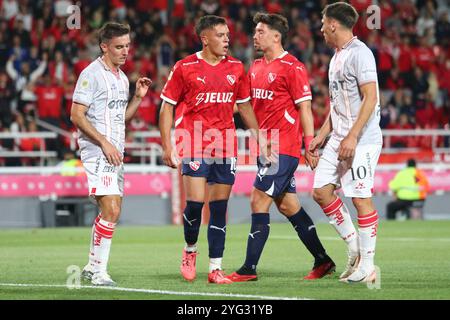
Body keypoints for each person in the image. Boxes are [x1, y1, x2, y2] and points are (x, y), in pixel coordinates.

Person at [226, 13, 335, 283]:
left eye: (260, 31)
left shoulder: (293, 67)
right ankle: (323, 260)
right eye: (255, 31)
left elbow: (305, 108)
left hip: (283, 147)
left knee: (257, 200)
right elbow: (245, 105)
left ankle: (249, 269)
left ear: (276, 36)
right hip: (265, 148)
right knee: (288, 207)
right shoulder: (256, 67)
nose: (255, 35)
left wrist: (310, 144)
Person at [159, 15, 260, 284]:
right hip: (193, 141)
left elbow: (245, 105)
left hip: (225, 143)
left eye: (228, 35)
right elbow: (167, 106)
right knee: (194, 204)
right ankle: (190, 250)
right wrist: (167, 145)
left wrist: (258, 136)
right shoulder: (185, 67)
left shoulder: (237, 68)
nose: (227, 40)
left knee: (219, 207)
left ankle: (215, 268)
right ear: (205, 39)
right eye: (220, 35)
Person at [70, 22, 151, 286]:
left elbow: (120, 119)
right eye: (119, 47)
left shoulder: (121, 78)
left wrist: (137, 98)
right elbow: (76, 115)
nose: (125, 51)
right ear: (104, 47)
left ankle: (92, 265)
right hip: (98, 151)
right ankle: (98, 272)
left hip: (115, 153)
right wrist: (104, 143)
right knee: (112, 209)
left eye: (127, 46)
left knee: (112, 211)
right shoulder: (90, 74)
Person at [309, 2, 382, 283]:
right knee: (321, 191)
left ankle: (369, 267)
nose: (320, 28)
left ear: (333, 25)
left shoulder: (360, 53)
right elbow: (337, 103)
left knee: (360, 198)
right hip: (339, 138)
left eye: (323, 23)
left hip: (361, 140)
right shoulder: (336, 56)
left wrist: (352, 135)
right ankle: (355, 251)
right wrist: (321, 134)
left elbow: (371, 97)